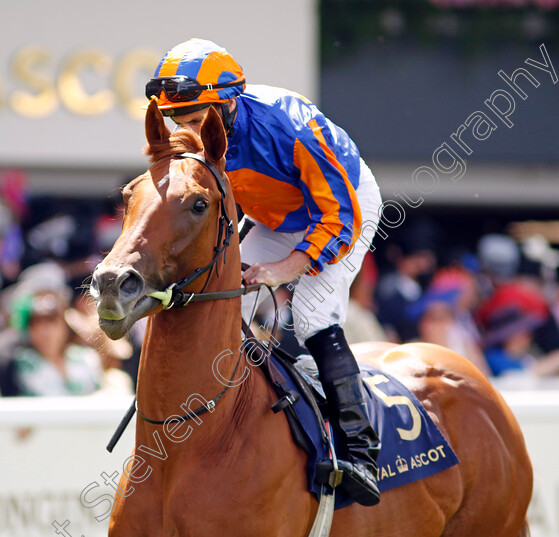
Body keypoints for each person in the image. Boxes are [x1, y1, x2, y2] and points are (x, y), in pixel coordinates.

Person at [147, 39, 383, 505]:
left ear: (228, 105)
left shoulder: (289, 125)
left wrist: (287, 267)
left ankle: (360, 452)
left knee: (314, 313)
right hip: (277, 216)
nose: (189, 133)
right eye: (180, 122)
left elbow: (338, 215)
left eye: (197, 121)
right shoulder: (205, 136)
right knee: (216, 292)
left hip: (344, 207)